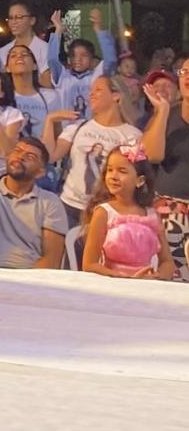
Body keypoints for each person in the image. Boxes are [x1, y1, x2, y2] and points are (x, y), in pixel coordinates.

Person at [0, 114, 67, 269]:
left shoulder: (50, 202)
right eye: (17, 151)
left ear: (40, 172)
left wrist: (25, 286)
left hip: (28, 279)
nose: (20, 157)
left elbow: (52, 260)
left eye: (30, 156)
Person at [42, 75, 142, 230]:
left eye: (98, 90)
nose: (91, 94)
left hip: (105, 210)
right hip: (69, 206)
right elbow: (50, 156)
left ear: (116, 96)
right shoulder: (79, 127)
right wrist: (50, 120)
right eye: (91, 90)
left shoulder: (131, 135)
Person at [81, 144, 173, 279]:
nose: (113, 176)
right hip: (114, 285)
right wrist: (125, 279)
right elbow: (89, 264)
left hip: (146, 285)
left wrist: (157, 277)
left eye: (122, 171)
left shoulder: (152, 215)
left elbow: (167, 262)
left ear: (140, 180)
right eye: (109, 170)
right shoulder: (103, 212)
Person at [141, 69, 189, 280]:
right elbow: (151, 155)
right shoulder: (167, 114)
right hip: (168, 216)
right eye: (185, 71)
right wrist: (162, 111)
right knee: (169, 283)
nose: (188, 76)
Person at [3, 45, 61, 191]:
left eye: (25, 54)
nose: (19, 57)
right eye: (13, 55)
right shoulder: (4, 98)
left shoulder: (50, 96)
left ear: (35, 65)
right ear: (7, 68)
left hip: (41, 168)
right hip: (10, 166)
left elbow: (58, 132)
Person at [47, 8, 118, 118]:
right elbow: (52, 59)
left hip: (91, 130)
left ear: (92, 59)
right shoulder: (62, 76)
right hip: (66, 131)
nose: (78, 59)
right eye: (74, 55)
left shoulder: (97, 77)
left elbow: (111, 60)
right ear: (69, 58)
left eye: (84, 55)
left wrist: (98, 29)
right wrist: (58, 31)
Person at [0, 0, 51, 85]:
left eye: (18, 17)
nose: (13, 22)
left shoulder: (46, 49)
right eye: (11, 18)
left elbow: (48, 83)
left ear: (32, 20)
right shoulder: (2, 53)